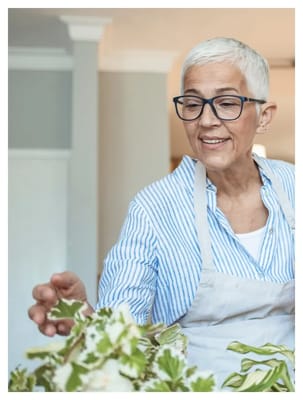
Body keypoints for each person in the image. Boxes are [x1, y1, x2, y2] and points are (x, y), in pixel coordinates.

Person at [28, 37, 295, 389]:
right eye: (193, 103)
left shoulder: (295, 186)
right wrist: (87, 320)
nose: (207, 121)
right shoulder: (153, 209)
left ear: (263, 116)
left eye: (227, 103)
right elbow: (122, 333)